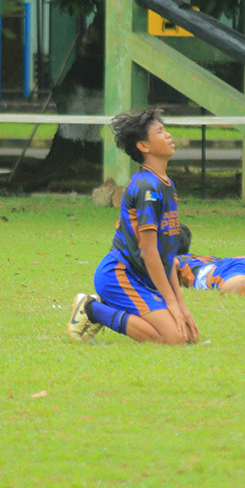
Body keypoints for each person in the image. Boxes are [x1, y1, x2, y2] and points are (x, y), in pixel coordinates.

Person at [68, 108, 199, 345]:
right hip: (119, 276)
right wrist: (170, 303)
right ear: (144, 146)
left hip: (141, 279)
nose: (169, 135)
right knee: (176, 339)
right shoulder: (146, 187)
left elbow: (166, 254)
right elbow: (149, 252)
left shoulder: (166, 184)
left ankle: (107, 308)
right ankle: (92, 309)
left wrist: (181, 305)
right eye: (160, 131)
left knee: (188, 336)